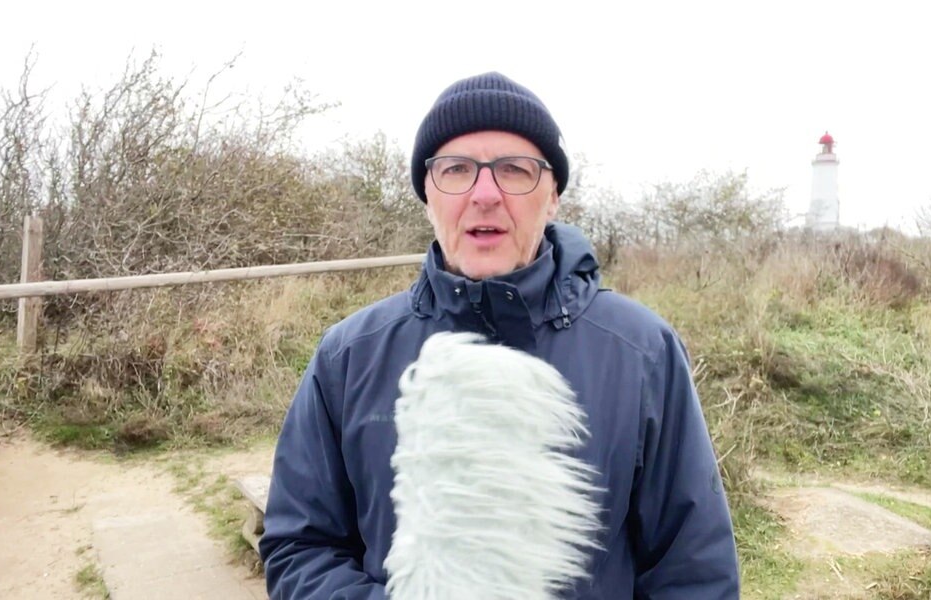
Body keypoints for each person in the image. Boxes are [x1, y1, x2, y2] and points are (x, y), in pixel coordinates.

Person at [259, 72, 740, 599]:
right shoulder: (349, 356)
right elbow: (300, 549)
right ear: (427, 195)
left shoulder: (642, 350)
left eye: (514, 170)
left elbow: (694, 571)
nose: (484, 194)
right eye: (456, 169)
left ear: (553, 196)